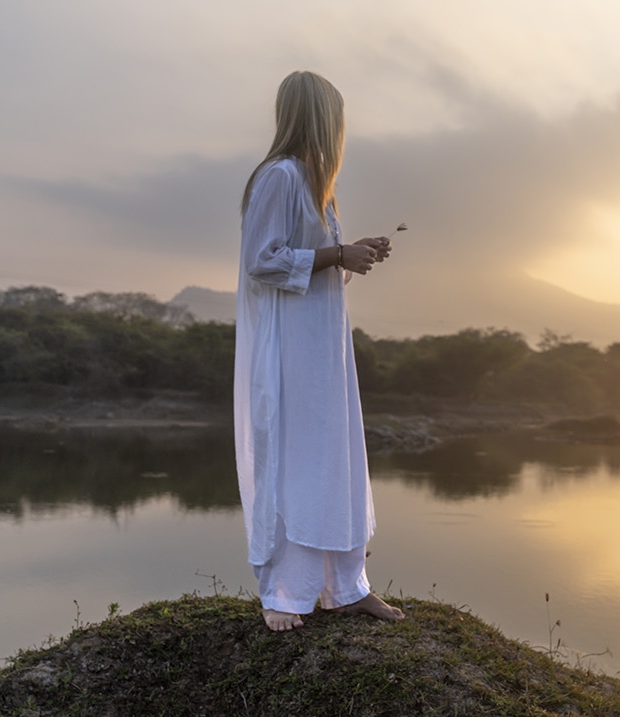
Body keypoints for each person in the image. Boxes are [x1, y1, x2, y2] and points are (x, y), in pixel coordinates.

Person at [234, 70, 403, 632]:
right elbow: (264, 260)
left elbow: (316, 269)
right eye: (336, 115)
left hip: (325, 350)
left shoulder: (319, 186)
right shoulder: (280, 177)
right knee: (295, 457)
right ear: (320, 118)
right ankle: (288, 589)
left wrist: (353, 255)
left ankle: (347, 586)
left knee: (335, 459)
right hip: (290, 353)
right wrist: (337, 254)